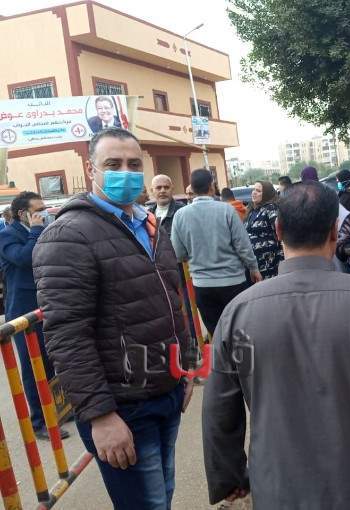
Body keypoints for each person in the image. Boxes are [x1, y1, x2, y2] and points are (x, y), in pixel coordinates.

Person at [202, 182, 350, 509]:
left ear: (278, 231)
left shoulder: (239, 313)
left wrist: (230, 476)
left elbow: (219, 410)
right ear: (335, 231)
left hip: (281, 489)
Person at [32, 128, 194, 509]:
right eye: (113, 164)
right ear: (92, 170)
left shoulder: (149, 225)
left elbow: (172, 302)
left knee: (163, 495)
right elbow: (67, 336)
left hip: (164, 391)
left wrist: (185, 366)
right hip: (123, 407)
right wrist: (100, 415)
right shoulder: (68, 236)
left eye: (134, 164)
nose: (126, 172)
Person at [0, 192, 69, 441]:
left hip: (46, 305)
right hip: (23, 312)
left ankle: (59, 408)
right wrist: (37, 230)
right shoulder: (7, 235)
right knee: (33, 366)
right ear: (23, 214)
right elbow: (24, 258)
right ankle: (40, 421)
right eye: (38, 210)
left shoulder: (40, 231)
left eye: (44, 209)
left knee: (53, 359)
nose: (43, 213)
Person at [172, 169, 261, 336]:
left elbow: (178, 253)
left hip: (202, 285)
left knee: (217, 335)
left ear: (192, 188)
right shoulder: (227, 210)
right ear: (211, 187)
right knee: (240, 332)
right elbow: (243, 245)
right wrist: (253, 268)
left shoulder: (180, 215)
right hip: (234, 282)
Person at [245, 181, 283, 280]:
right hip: (254, 262)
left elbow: (280, 232)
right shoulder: (252, 210)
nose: (254, 192)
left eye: (258, 191)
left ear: (266, 193)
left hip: (269, 262)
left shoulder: (270, 208)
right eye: (253, 189)